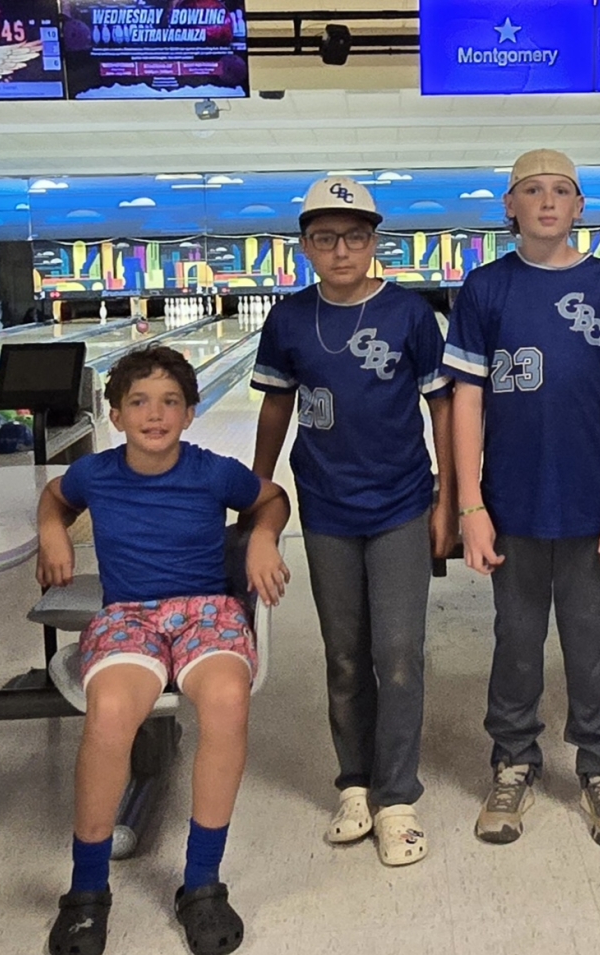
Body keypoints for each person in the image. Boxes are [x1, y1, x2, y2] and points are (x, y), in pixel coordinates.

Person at [39, 346, 290, 955]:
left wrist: (262, 537)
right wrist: (51, 531)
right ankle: (87, 889)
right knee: (110, 714)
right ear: (116, 415)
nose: (155, 415)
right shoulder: (95, 473)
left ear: (190, 412)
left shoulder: (212, 471)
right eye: (139, 402)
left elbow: (271, 497)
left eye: (170, 402)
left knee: (227, 701)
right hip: (129, 615)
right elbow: (55, 495)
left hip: (207, 610)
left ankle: (202, 883)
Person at [445, 150, 600, 849]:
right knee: (515, 640)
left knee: (592, 641)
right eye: (532, 190)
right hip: (510, 503)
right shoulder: (486, 288)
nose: (547, 201)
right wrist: (471, 507)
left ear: (578, 207)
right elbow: (466, 401)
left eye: (561, 191)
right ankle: (513, 760)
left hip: (591, 502)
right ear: (509, 206)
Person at [250, 176, 454, 867]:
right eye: (326, 237)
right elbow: (275, 405)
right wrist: (259, 490)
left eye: (356, 236)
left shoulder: (409, 314)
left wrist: (450, 499)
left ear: (374, 242)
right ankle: (355, 784)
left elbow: (442, 408)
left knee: (397, 653)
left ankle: (397, 798)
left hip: (401, 502)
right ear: (305, 246)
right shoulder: (287, 319)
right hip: (325, 504)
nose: (342, 249)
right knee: (343, 654)